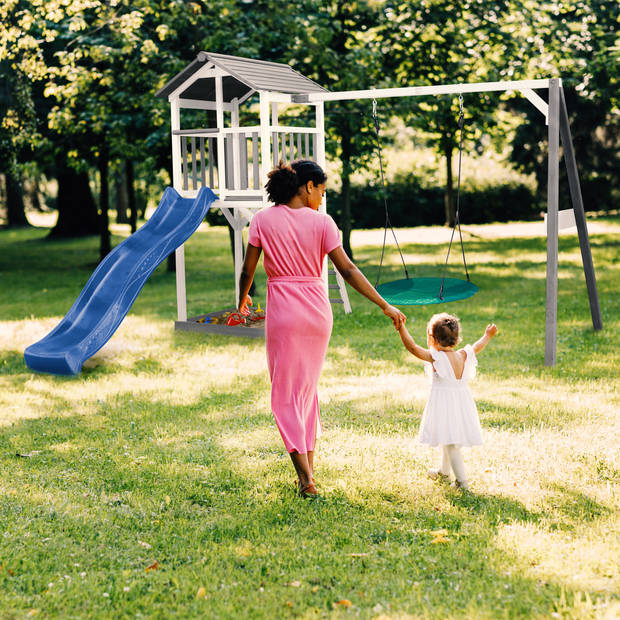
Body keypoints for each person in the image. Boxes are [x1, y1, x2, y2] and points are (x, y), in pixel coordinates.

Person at [238, 160, 406, 497]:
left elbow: (248, 270)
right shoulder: (323, 223)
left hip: (284, 313)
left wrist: (241, 301)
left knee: (285, 395)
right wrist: (384, 303)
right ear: (308, 186)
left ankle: (306, 480)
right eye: (322, 191)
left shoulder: (262, 220)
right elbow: (347, 270)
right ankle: (308, 474)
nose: (322, 199)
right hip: (317, 313)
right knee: (305, 393)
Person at [397, 312, 498, 490]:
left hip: (445, 405)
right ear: (457, 338)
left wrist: (401, 328)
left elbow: (412, 347)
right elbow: (477, 346)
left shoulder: (436, 357)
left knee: (451, 443)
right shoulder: (463, 355)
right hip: (461, 404)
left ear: (433, 339)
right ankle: (444, 471)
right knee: (447, 437)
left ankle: (462, 482)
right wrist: (487, 335)